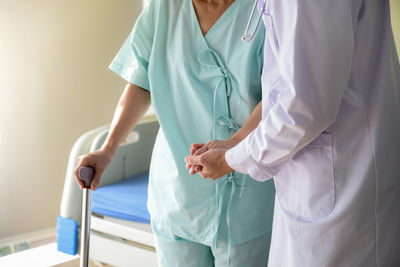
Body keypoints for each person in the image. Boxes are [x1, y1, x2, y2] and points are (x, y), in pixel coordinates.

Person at [185, 0, 400, 266]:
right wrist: (235, 142)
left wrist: (230, 159)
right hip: (332, 182)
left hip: (342, 193)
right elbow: (290, 85)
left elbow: (303, 108)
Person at [74, 0, 276, 266]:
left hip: (247, 193)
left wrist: (234, 147)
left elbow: (278, 93)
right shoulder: (164, 7)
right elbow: (140, 80)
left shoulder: (268, 7)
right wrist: (108, 149)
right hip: (176, 192)